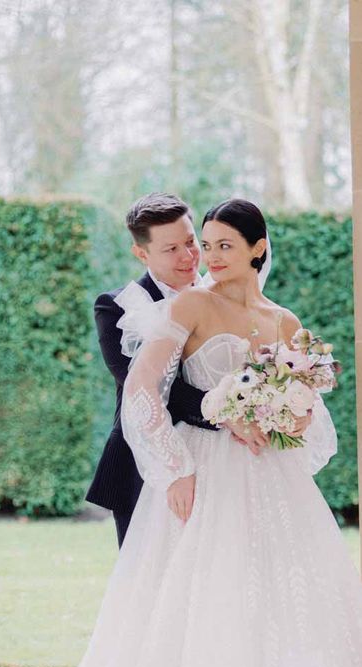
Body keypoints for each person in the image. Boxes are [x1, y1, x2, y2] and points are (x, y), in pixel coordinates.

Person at [67, 199, 362, 667]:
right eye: (203, 245)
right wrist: (176, 467)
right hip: (201, 468)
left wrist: (287, 416)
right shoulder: (189, 305)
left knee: (280, 596)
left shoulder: (285, 320)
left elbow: (309, 410)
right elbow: (142, 387)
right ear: (144, 253)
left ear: (259, 249)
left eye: (217, 245)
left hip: (267, 473)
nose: (205, 256)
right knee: (190, 596)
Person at [86, 193, 270, 547]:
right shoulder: (117, 308)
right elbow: (145, 386)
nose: (189, 257)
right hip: (147, 461)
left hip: (228, 459)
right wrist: (224, 412)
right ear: (142, 253)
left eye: (191, 242)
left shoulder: (233, 293)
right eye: (172, 249)